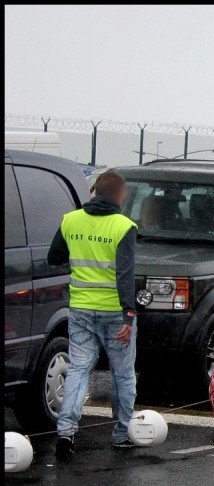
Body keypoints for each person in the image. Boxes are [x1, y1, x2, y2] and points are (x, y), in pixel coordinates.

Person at [46, 170, 139, 458]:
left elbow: (54, 257)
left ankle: (66, 432)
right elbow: (125, 274)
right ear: (119, 195)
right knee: (122, 375)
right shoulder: (124, 226)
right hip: (114, 313)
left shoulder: (70, 220)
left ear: (94, 192)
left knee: (78, 370)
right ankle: (122, 433)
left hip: (81, 310)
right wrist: (129, 314)